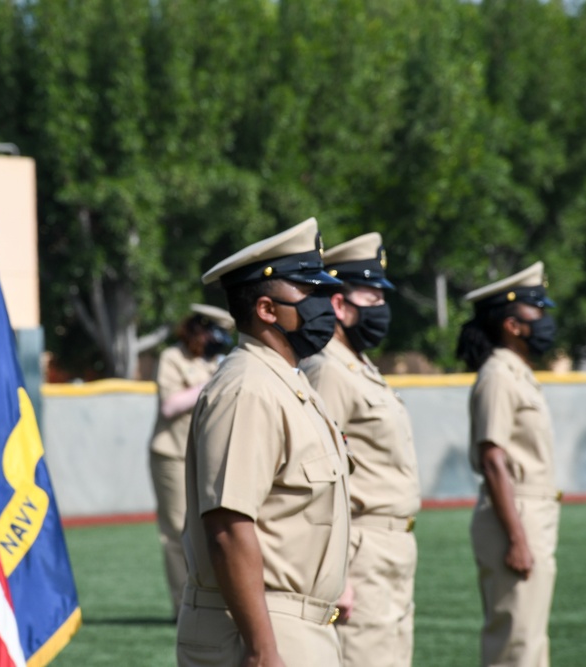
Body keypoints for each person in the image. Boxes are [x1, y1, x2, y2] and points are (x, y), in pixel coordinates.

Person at [177, 217, 351, 667]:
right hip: (262, 629)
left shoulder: (286, 382)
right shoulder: (247, 388)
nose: (325, 305)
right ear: (267, 309)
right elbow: (229, 526)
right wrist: (261, 648)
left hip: (297, 625)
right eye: (310, 293)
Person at [301, 232, 420, 667]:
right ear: (338, 304)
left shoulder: (358, 365)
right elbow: (321, 480)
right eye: (371, 297)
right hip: (361, 549)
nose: (381, 309)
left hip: (390, 547)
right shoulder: (327, 369)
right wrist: (340, 577)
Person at [456, 261, 561, 667]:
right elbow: (493, 459)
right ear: (513, 325)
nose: (546, 322)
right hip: (513, 514)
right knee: (514, 642)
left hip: (530, 510)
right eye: (539, 312)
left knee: (530, 640)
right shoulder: (498, 375)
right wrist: (517, 538)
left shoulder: (517, 373)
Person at [150, 303, 235, 617]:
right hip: (172, 454)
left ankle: (212, 601)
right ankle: (183, 607)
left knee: (211, 528)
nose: (219, 340)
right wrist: (209, 385)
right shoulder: (172, 358)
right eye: (215, 332)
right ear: (198, 330)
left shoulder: (219, 361)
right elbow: (169, 406)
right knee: (176, 531)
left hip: (208, 454)